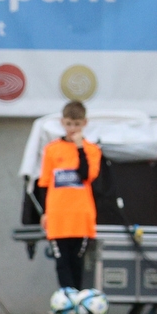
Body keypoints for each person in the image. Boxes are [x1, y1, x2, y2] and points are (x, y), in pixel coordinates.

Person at [38, 101, 103, 291]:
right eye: (69, 124)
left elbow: (85, 175)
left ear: (84, 123)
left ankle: (78, 298)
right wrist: (45, 212)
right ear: (62, 123)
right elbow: (44, 183)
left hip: (80, 215)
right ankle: (67, 299)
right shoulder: (52, 149)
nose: (72, 129)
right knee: (61, 261)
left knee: (77, 260)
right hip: (58, 215)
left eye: (77, 124)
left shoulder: (92, 150)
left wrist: (80, 147)